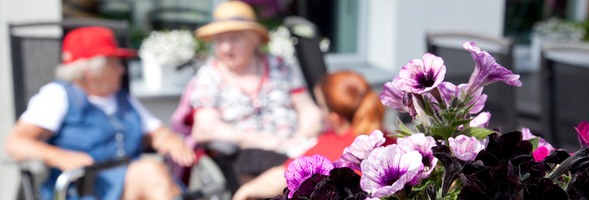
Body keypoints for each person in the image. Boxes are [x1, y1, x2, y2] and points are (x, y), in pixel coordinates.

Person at [4, 26, 195, 200]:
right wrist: (59, 156)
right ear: (90, 71)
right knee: (151, 173)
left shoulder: (122, 98)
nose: (121, 70)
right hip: (85, 189)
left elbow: (155, 132)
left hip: (131, 185)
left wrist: (169, 139)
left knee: (153, 173)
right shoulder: (58, 95)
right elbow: (16, 143)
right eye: (114, 63)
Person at [172, 0, 322, 193]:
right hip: (246, 155)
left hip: (295, 148)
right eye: (219, 40)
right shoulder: (210, 75)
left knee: (325, 165)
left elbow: (309, 110)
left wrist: (301, 137)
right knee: (300, 175)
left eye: (234, 38)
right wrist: (268, 141)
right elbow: (205, 128)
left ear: (255, 39)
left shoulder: (280, 65)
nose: (226, 48)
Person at [232, 71, 391, 200]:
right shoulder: (388, 139)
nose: (318, 111)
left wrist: (245, 191)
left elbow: (281, 177)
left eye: (320, 105)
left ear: (335, 118)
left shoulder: (333, 149)